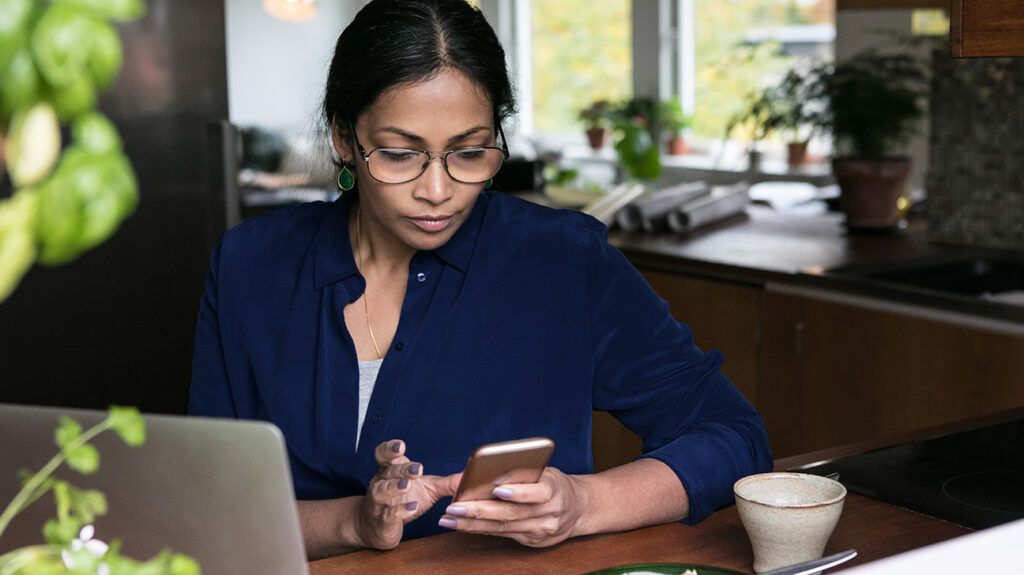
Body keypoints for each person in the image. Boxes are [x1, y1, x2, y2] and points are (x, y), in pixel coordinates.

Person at [189, 0, 772, 560]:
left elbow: (733, 436)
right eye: (399, 154)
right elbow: (211, 510)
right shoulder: (251, 266)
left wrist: (582, 503)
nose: (437, 191)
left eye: (469, 153)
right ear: (345, 136)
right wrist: (356, 522)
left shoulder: (562, 260)